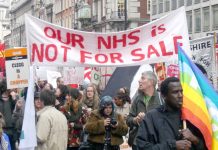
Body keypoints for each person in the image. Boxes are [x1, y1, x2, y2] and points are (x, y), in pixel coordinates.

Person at [136, 77, 206, 150]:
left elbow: (208, 145)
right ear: (164, 96)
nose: (180, 95)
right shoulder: (151, 117)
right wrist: (173, 145)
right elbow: (142, 147)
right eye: (175, 92)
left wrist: (194, 139)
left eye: (181, 91)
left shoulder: (191, 115)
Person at [126, 71, 162, 149]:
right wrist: (136, 120)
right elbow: (128, 120)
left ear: (151, 82)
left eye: (143, 78)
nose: (139, 81)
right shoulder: (137, 99)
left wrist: (149, 120)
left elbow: (166, 121)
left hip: (155, 142)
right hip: (137, 142)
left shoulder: (161, 99)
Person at [0, 79, 16, 150]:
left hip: (12, 131)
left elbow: (17, 113)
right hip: (2, 131)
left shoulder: (13, 99)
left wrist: (14, 100)